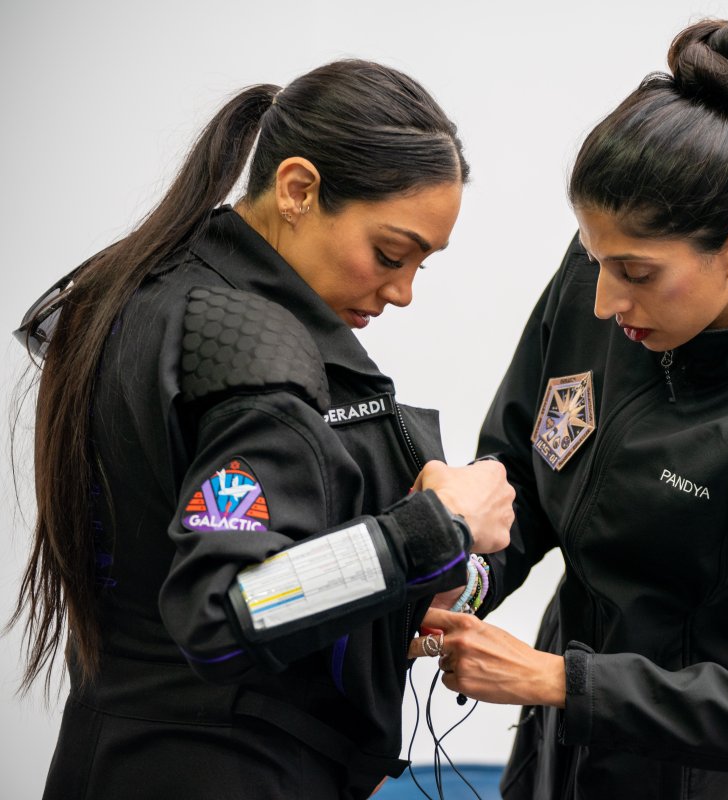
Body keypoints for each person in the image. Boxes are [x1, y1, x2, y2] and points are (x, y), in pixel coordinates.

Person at [10, 59, 514, 800]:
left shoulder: (145, 292)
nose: (402, 292)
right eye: (390, 254)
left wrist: (394, 585)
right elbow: (224, 610)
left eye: (420, 267)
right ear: (298, 189)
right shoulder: (250, 347)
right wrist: (428, 531)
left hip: (109, 752)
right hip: (225, 769)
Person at [410, 19, 728, 799]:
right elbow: (522, 469)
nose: (603, 300)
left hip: (694, 777)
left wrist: (561, 680)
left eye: (634, 271)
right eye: (594, 259)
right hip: (558, 752)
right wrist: (464, 579)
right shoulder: (603, 278)